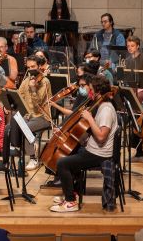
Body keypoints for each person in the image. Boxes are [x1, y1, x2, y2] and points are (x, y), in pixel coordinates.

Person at [50, 75, 118, 213]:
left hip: (99, 153)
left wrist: (89, 118)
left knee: (62, 163)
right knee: (71, 154)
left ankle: (70, 202)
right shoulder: (101, 106)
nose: (89, 92)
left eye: (91, 89)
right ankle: (72, 193)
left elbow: (100, 136)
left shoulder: (106, 110)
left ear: (98, 91)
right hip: (93, 149)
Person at [8, 56, 52, 171]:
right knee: (9, 127)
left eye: (33, 67)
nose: (31, 70)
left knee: (24, 128)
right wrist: (10, 102)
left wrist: (33, 89)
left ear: (40, 67)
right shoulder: (27, 80)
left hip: (42, 117)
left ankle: (33, 157)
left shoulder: (45, 82)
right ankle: (15, 152)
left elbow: (38, 105)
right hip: (28, 116)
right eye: (28, 67)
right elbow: (19, 95)